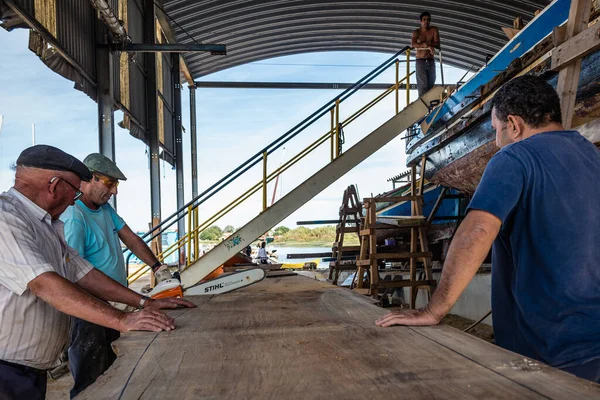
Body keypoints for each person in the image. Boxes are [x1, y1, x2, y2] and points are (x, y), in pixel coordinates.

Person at [375, 75, 600, 383]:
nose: (495, 141)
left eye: (496, 130)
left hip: (550, 359)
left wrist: (434, 310)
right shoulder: (593, 156)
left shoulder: (514, 157)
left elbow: (478, 231)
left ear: (514, 124)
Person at [0, 145, 195, 400]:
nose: (73, 199)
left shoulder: (46, 224)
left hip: (27, 370)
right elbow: (44, 284)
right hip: (6, 369)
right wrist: (122, 320)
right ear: (54, 185)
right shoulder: (7, 219)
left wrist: (145, 303)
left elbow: (83, 273)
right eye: (73, 190)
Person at [60, 153, 194, 398]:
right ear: (89, 179)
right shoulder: (74, 218)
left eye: (116, 185)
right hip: (91, 311)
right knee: (91, 378)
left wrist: (157, 268)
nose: (114, 192)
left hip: (113, 304)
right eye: (109, 184)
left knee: (113, 371)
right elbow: (74, 273)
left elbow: (130, 237)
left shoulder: (104, 210)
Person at [411, 11, 440, 97]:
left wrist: (428, 45)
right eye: (424, 20)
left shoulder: (433, 30)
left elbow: (437, 43)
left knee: (431, 84)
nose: (426, 22)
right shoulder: (416, 32)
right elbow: (413, 44)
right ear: (421, 21)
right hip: (420, 61)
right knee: (423, 85)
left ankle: (430, 108)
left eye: (428, 20)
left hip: (430, 60)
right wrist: (422, 45)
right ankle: (423, 108)